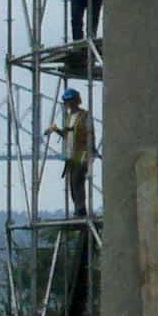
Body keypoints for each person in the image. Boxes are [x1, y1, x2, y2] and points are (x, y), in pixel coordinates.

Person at [54, 88, 96, 218]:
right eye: (66, 102)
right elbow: (68, 135)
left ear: (76, 101)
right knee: (73, 184)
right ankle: (78, 210)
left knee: (78, 181)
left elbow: (90, 135)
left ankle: (80, 210)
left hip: (81, 155)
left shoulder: (84, 116)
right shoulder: (69, 117)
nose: (68, 104)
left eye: (70, 101)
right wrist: (56, 130)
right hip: (71, 157)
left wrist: (89, 153)